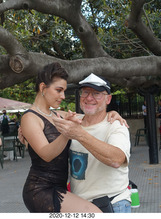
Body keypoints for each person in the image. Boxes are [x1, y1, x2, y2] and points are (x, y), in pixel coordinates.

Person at [20, 63, 102, 212]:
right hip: (40, 190)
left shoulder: (59, 115)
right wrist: (67, 132)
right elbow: (46, 154)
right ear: (43, 88)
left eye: (64, 91)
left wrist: (112, 115)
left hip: (59, 187)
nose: (63, 96)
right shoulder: (30, 118)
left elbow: (93, 118)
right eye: (59, 90)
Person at [52, 73, 131, 213]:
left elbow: (117, 159)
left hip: (111, 205)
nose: (89, 98)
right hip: (79, 206)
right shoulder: (74, 120)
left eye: (96, 93)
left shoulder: (116, 125)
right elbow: (43, 113)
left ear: (108, 99)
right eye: (85, 92)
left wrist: (80, 134)